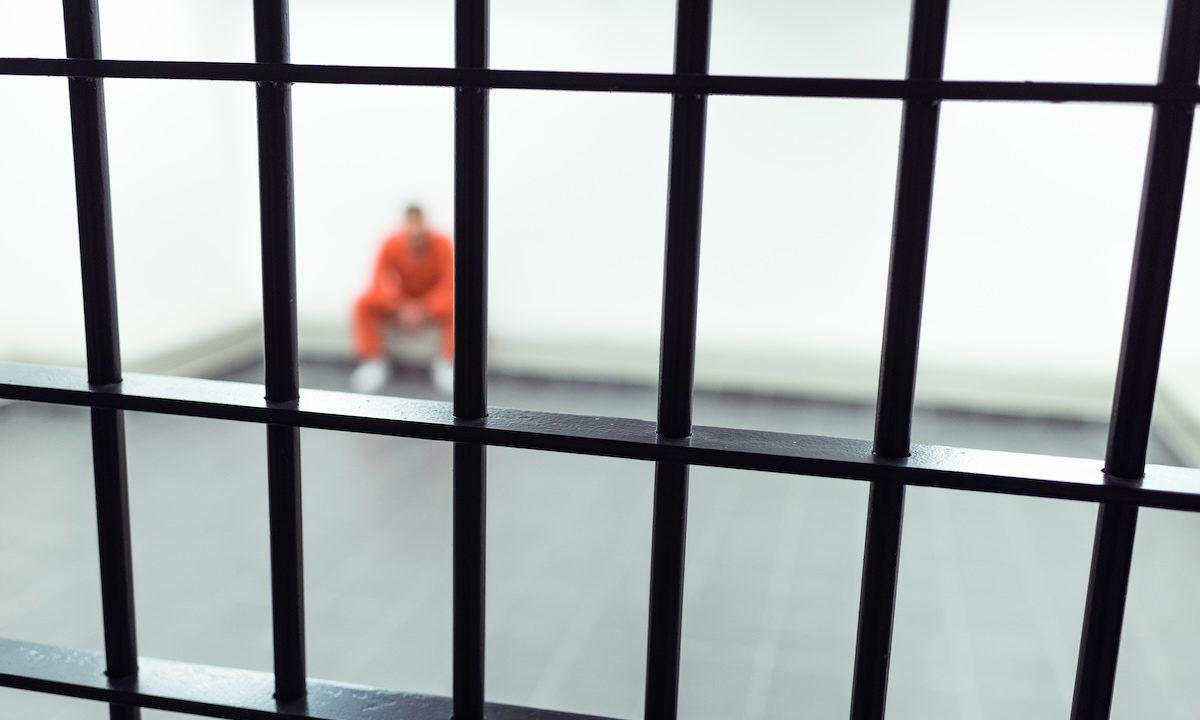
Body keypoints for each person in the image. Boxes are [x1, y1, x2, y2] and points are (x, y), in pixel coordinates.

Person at [350, 204, 454, 395]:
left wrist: (426, 307)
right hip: (400, 302)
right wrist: (397, 304)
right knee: (362, 303)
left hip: (430, 302)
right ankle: (372, 360)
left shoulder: (442, 243)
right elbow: (379, 279)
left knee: (459, 307)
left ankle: (447, 362)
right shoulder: (390, 242)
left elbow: (449, 284)